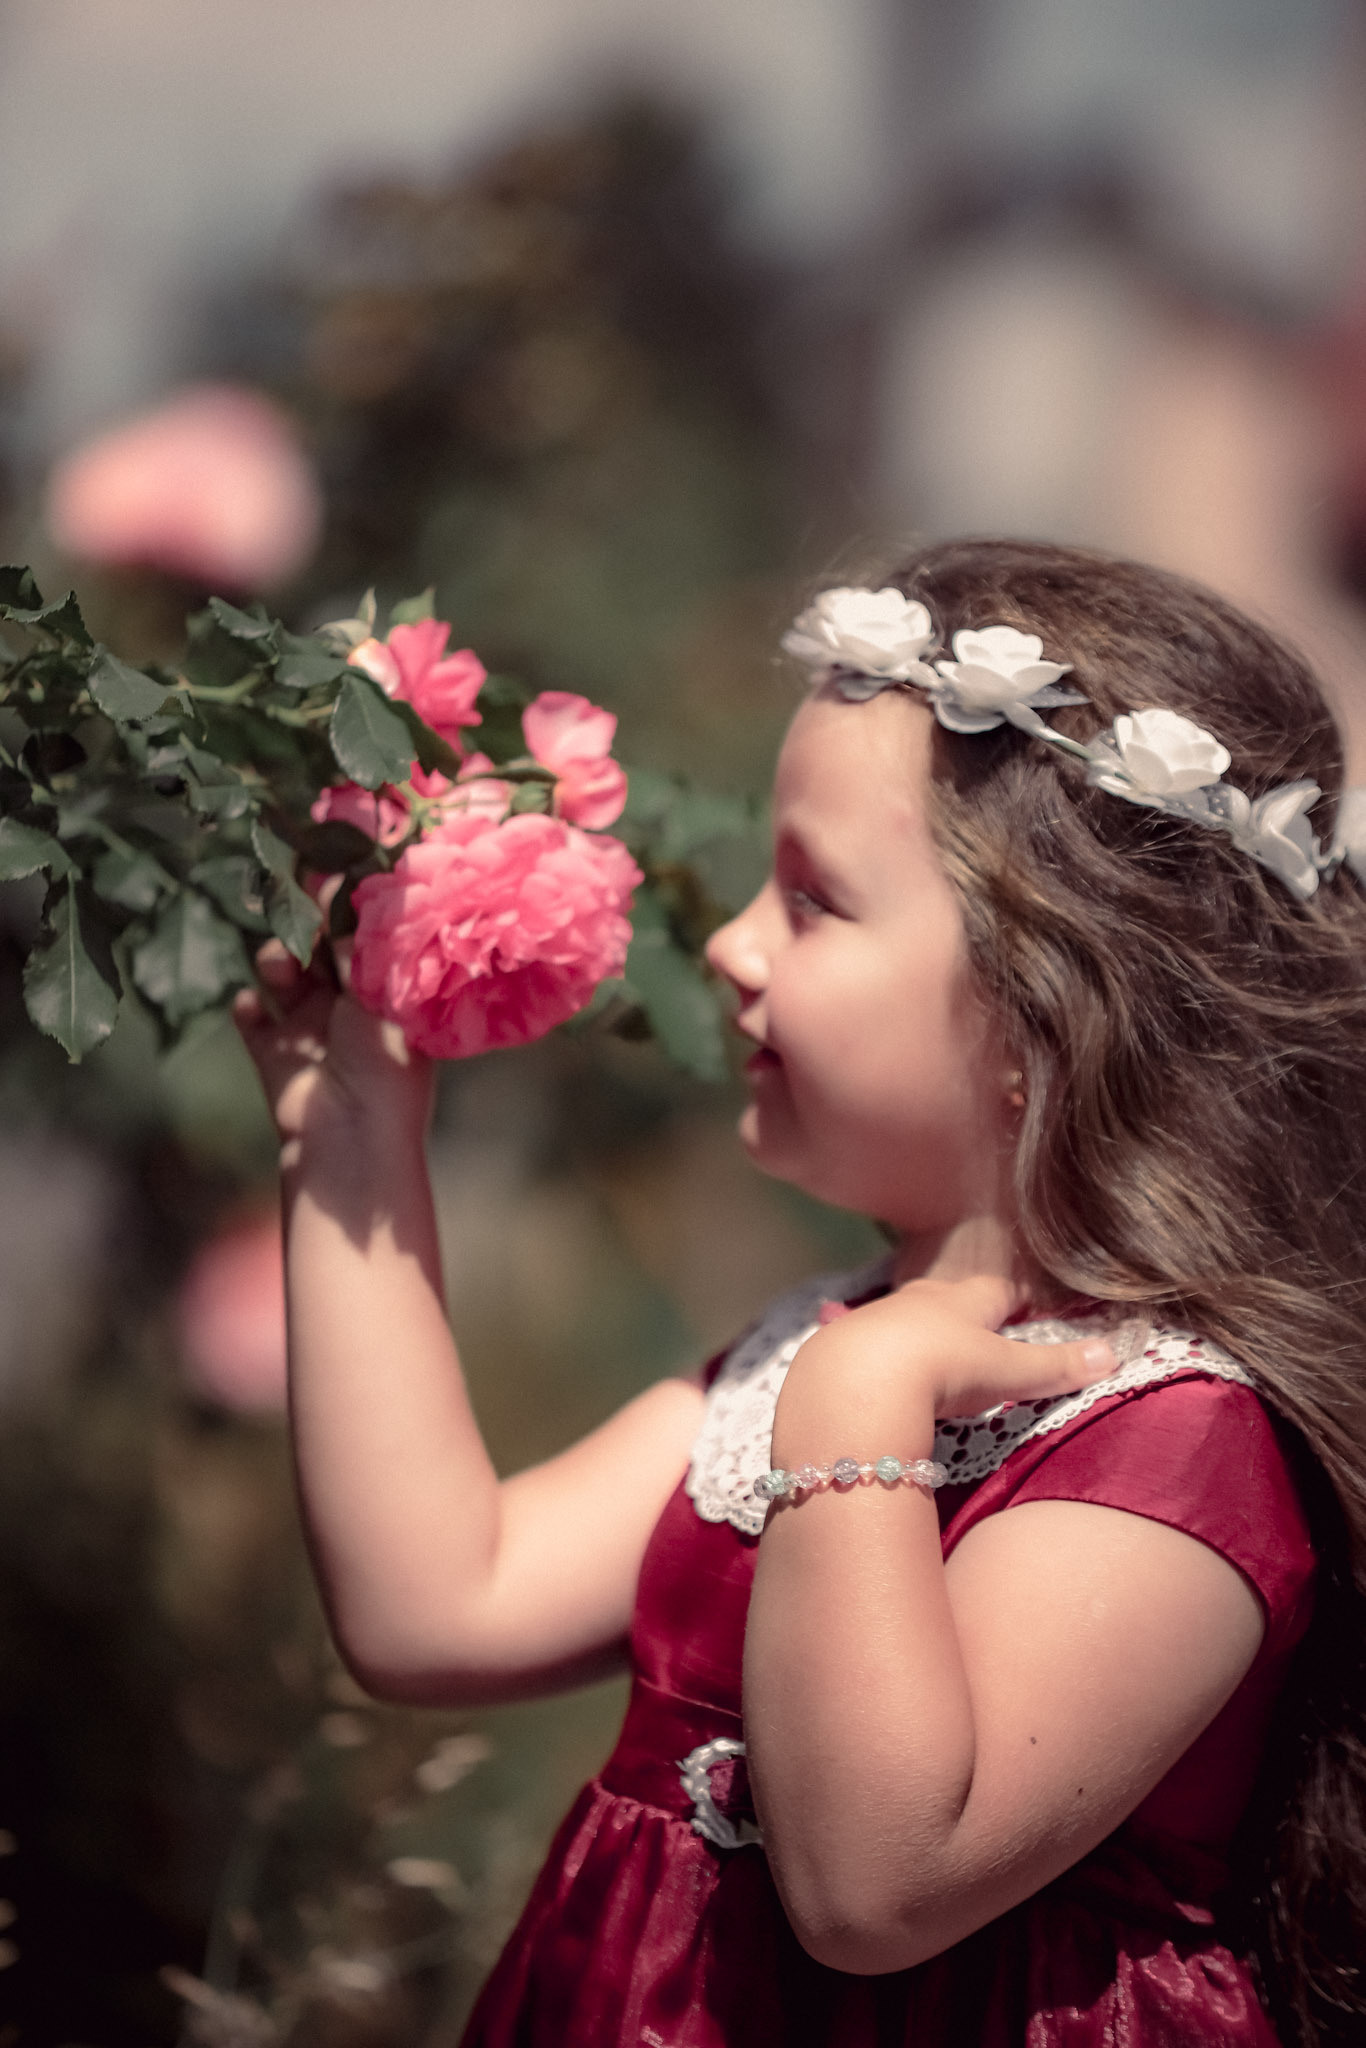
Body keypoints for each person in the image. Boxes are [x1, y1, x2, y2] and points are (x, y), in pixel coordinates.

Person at [235, 538, 1366, 2046]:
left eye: (812, 901)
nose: (729, 945)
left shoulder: (1176, 1450)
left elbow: (872, 1885)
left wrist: (858, 1409)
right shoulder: (810, 1348)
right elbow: (439, 1605)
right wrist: (352, 1140)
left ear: (1047, 1006)